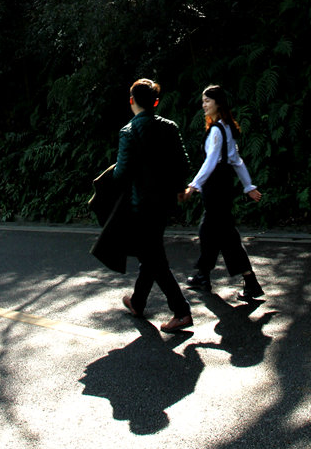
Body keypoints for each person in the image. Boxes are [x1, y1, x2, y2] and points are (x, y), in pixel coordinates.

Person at [112, 78, 193, 333]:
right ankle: (137, 302)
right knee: (150, 252)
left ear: (131, 101)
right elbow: (184, 163)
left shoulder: (129, 132)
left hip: (140, 204)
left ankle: (181, 311)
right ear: (156, 102)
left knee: (154, 258)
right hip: (164, 203)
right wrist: (179, 188)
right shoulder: (170, 127)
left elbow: (121, 174)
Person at [183, 84, 264, 301]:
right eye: (203, 101)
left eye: (207, 101)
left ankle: (250, 281)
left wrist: (193, 185)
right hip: (223, 186)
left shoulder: (217, 130)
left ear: (218, 103)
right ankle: (204, 275)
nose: (204, 105)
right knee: (211, 231)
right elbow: (236, 161)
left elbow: (211, 161)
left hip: (215, 186)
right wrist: (248, 187)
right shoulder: (225, 127)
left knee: (222, 234)